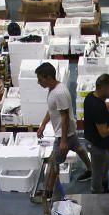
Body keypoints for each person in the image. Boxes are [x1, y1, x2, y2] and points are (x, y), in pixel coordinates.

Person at [35, 62, 92, 196]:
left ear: (48, 77)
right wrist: (43, 124)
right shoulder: (54, 89)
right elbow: (52, 110)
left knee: (54, 162)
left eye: (40, 79)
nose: (38, 82)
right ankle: (91, 169)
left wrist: (63, 141)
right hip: (68, 132)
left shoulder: (59, 93)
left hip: (64, 133)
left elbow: (64, 117)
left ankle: (48, 192)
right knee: (78, 148)